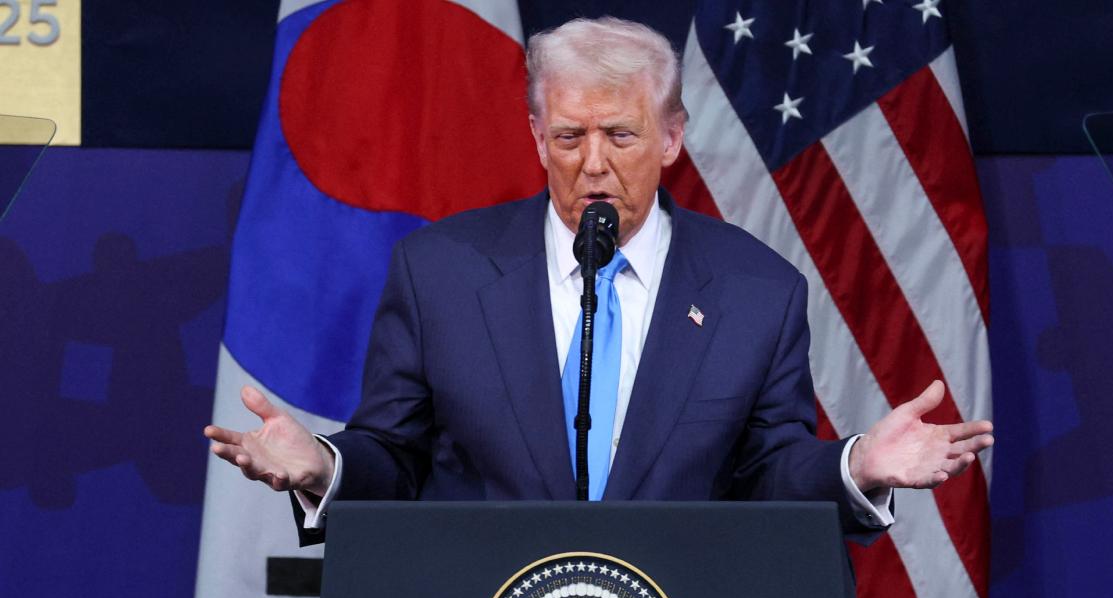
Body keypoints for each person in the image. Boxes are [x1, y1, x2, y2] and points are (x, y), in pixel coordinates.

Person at [204, 17, 993, 545]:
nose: (593, 162)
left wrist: (855, 466)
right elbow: (395, 454)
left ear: (673, 138)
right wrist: (323, 467)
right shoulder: (439, 270)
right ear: (537, 136)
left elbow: (767, 472)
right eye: (570, 135)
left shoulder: (758, 289)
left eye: (621, 134)